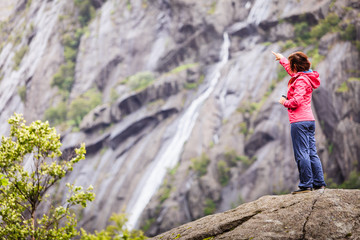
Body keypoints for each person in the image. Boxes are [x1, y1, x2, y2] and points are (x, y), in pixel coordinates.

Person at [272, 51, 326, 194]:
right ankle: (319, 183)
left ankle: (306, 185)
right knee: (312, 153)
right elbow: (292, 72)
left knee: (302, 153)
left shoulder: (301, 80)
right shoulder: (306, 76)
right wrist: (282, 59)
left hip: (299, 121)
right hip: (309, 120)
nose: (290, 67)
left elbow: (296, 101)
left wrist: (285, 102)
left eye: (291, 64)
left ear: (296, 65)